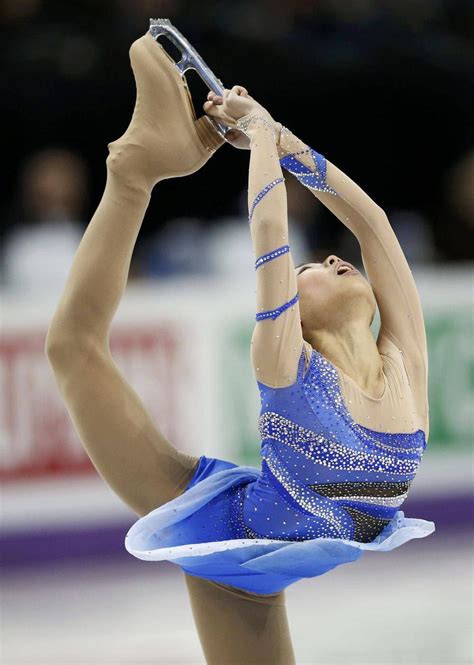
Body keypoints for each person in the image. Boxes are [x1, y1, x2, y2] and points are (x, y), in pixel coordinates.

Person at [45, 31, 434, 665]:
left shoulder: (407, 366)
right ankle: (132, 175)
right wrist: (257, 139)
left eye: (330, 262)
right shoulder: (284, 364)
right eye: (311, 268)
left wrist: (287, 144)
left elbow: (373, 225)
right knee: (71, 347)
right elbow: (271, 228)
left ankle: (142, 163)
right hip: (221, 530)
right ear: (293, 315)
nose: (335, 258)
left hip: (255, 553)